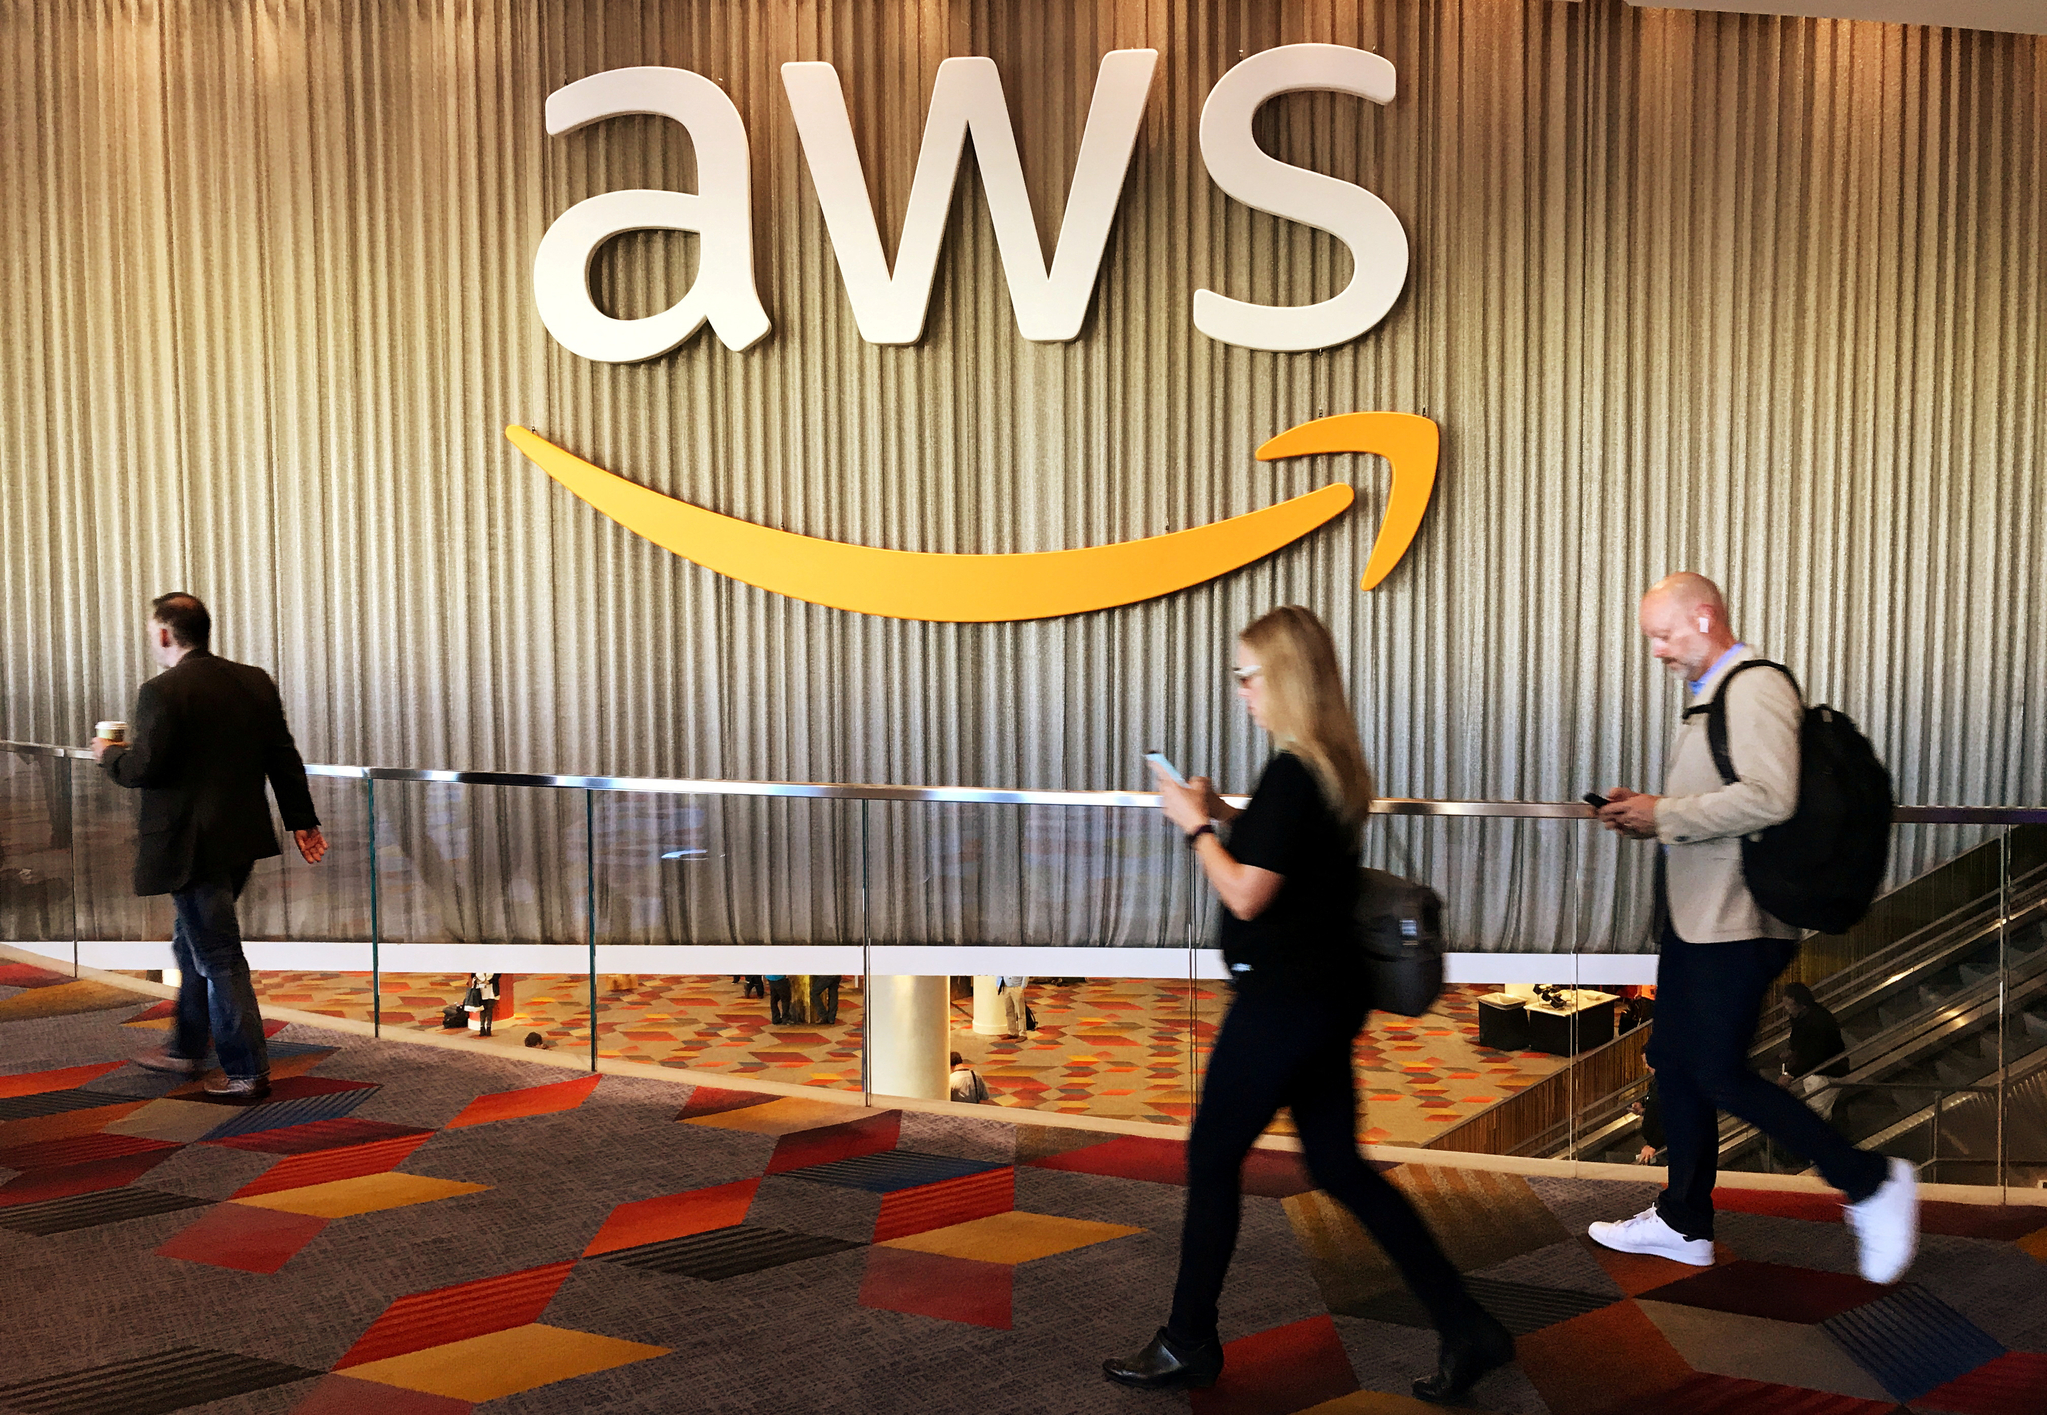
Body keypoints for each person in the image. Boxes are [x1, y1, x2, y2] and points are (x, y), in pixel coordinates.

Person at [1103, 606, 1513, 1405]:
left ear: (1283, 678)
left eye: (1248, 675)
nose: (1242, 691)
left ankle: (1187, 1340)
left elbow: (1248, 892)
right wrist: (1227, 813)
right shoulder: (1327, 765)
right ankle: (1467, 1325)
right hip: (1325, 1000)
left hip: (1282, 1005)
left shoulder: (1293, 771)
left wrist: (1194, 829)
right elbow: (1286, 848)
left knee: (1213, 1156)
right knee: (1339, 1168)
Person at [1590, 572, 1916, 1280]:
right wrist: (1647, 810)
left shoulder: (1755, 685)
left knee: (1715, 1071)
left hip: (1736, 923)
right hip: (1695, 922)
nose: (1656, 650)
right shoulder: (1710, 697)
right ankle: (1682, 1221)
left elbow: (1770, 795)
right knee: (1674, 1066)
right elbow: (1723, 802)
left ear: (1704, 618)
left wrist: (1666, 814)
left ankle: (1868, 1180)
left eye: (1663, 633)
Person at [93, 593, 326, 1100]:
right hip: (240, 838)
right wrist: (301, 821)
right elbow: (283, 756)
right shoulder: (253, 680)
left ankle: (246, 1070)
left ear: (163, 634)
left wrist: (109, 755)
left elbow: (143, 769)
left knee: (217, 953)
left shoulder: (161, 690)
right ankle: (186, 1048)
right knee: (191, 940)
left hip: (187, 846)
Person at [1781, 982, 1850, 1120]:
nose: (1788, 1009)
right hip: (1816, 1069)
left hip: (1828, 1070)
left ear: (1801, 1004)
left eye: (1790, 1006)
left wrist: (1791, 1074)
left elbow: (1814, 1055)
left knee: (1817, 1112)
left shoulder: (1818, 1021)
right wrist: (1792, 1050)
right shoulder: (1801, 1016)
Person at [1632, 1073, 1665, 1164]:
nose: (1647, 1066)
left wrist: (1653, 1145)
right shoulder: (1657, 1081)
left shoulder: (1670, 1084)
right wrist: (1642, 1108)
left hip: (1664, 1143)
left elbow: (1670, 1118)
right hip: (1654, 1141)